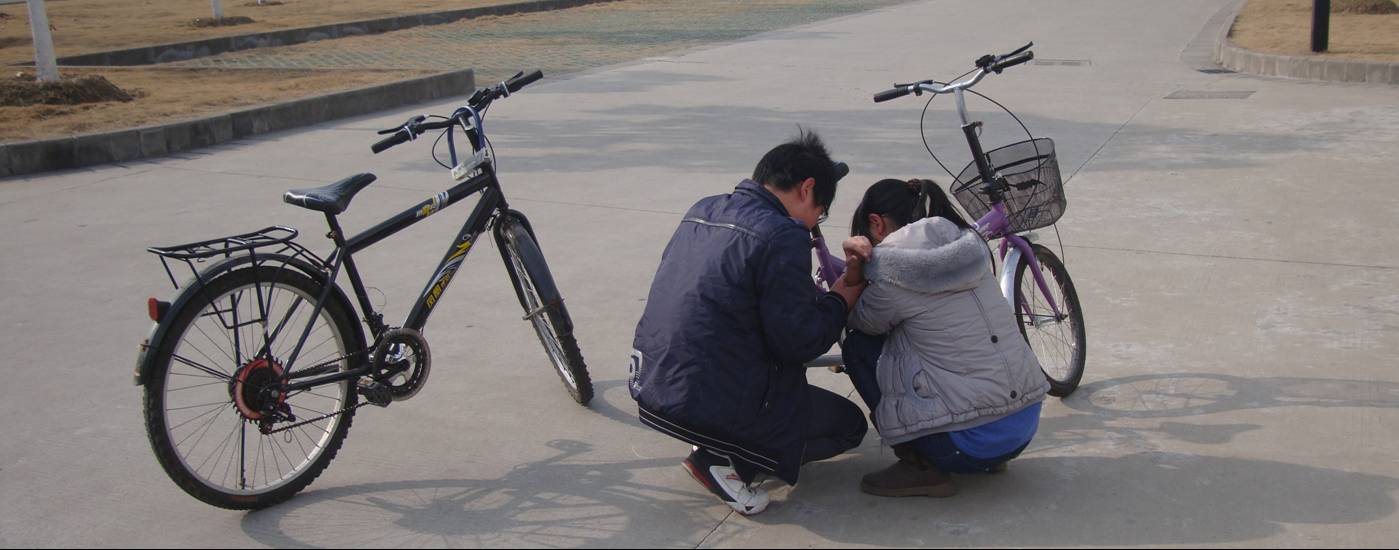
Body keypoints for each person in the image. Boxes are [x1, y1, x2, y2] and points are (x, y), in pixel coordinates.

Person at [629, 130, 871, 516]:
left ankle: (716, 443)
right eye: (820, 212)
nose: (814, 224)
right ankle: (726, 462)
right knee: (848, 425)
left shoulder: (703, 208)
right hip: (706, 401)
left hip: (656, 385)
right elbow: (800, 341)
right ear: (807, 189)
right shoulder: (783, 235)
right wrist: (844, 295)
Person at [840, 178, 1049, 497]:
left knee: (857, 345)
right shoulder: (968, 245)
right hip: (1023, 427)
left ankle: (920, 465)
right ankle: (988, 456)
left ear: (876, 223)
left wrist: (854, 274)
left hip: (966, 446)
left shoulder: (890, 267)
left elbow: (859, 320)